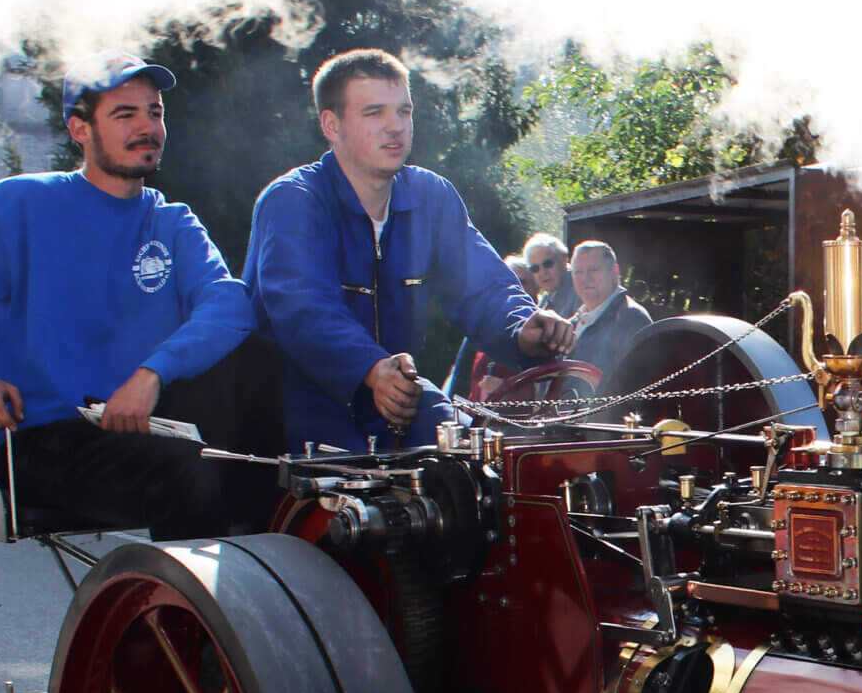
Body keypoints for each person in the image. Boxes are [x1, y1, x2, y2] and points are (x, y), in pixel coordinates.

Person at [0, 53, 250, 538]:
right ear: (80, 129)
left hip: (148, 428)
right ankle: (187, 610)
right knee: (188, 472)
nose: (148, 126)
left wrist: (152, 374)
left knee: (264, 461)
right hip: (43, 437)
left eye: (155, 112)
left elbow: (228, 304)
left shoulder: (170, 221)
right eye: (126, 115)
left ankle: (260, 604)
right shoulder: (22, 206)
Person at [245, 49, 573, 450]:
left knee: (486, 462)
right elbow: (304, 310)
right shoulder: (293, 200)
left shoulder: (431, 196)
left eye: (404, 111)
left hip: (400, 395)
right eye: (374, 113)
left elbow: (482, 285)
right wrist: (369, 367)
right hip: (295, 410)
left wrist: (522, 328)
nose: (395, 127)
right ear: (331, 125)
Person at [565, 240, 654, 379]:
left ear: (614, 271)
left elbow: (637, 385)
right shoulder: (572, 323)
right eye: (578, 272)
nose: (585, 278)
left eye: (593, 270)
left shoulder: (631, 319)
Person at [521, 233, 577, 317]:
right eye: (535, 268)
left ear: (564, 259)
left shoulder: (581, 290)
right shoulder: (547, 297)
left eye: (547, 264)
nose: (543, 272)